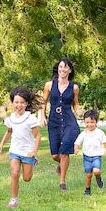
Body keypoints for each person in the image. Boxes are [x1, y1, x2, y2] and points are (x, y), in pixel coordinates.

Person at [39, 57, 81, 192]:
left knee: (64, 152)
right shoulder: (49, 85)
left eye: (65, 67)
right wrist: (42, 116)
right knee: (55, 155)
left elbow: (75, 104)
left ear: (70, 70)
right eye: (60, 66)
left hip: (69, 121)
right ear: (58, 68)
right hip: (54, 121)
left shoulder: (74, 87)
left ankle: (62, 182)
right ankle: (61, 165)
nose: (62, 69)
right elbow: (43, 102)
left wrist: (78, 110)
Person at [0, 87, 42, 208]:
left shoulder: (30, 118)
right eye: (16, 102)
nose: (19, 105)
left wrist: (34, 151)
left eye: (22, 102)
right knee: (14, 174)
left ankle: (33, 161)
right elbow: (8, 131)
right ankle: (13, 199)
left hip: (28, 152)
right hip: (15, 150)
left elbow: (38, 136)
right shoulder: (10, 119)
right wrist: (1, 144)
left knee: (27, 178)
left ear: (26, 104)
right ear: (12, 103)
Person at [74, 109, 106, 195]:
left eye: (92, 122)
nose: (89, 124)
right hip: (86, 157)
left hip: (96, 156)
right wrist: (76, 149)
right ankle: (87, 190)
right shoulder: (83, 133)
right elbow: (77, 142)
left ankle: (98, 178)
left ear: (96, 122)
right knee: (88, 174)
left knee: (96, 171)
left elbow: (105, 142)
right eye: (87, 122)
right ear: (84, 122)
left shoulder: (99, 133)